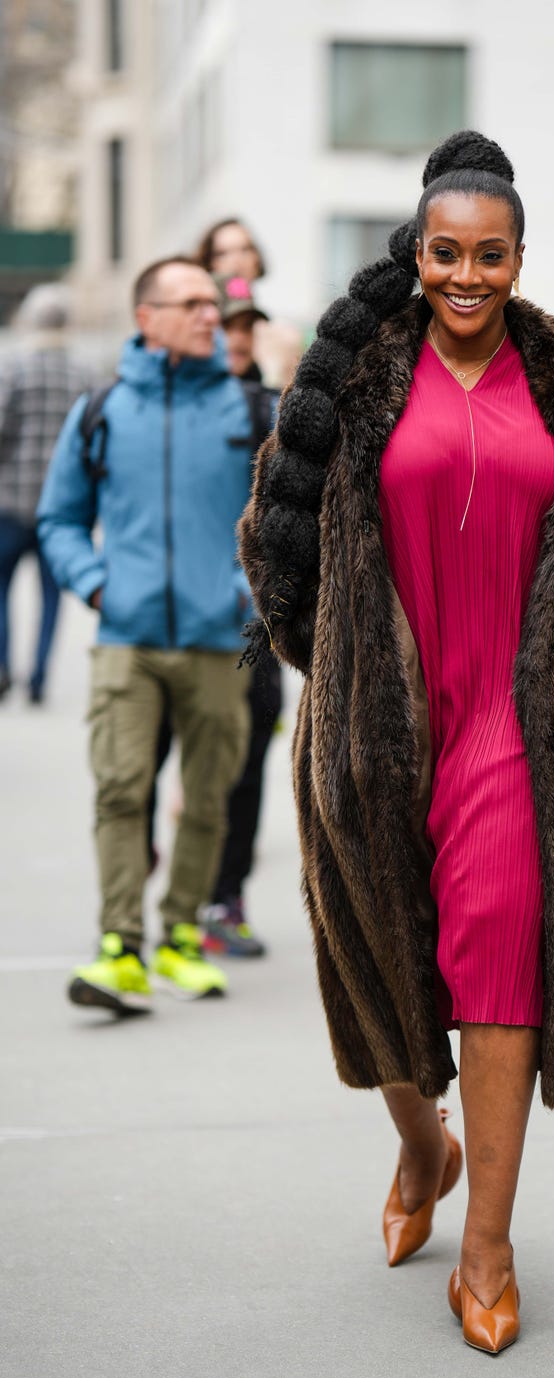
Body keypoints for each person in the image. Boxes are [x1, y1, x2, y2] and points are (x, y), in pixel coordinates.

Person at [238, 131, 554, 1353]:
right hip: (381, 727)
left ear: (518, 258)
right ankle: (419, 1143)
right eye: (445, 252)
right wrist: (333, 669)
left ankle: (487, 1244)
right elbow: (273, 543)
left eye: (489, 255)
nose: (466, 277)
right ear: (418, 251)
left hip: (517, 724)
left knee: (499, 957)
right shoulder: (351, 378)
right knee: (385, 973)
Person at [37, 257, 254, 1014]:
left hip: (219, 640)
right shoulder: (101, 410)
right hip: (126, 636)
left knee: (205, 798)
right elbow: (59, 520)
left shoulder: (251, 411)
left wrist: (246, 597)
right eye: (191, 303)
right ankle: (120, 947)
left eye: (213, 303)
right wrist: (97, 585)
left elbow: (287, 527)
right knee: (121, 788)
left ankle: (182, 936)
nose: (210, 316)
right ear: (146, 316)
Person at [148, 272, 281, 957]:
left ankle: (224, 896)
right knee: (151, 749)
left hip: (250, 623)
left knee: (248, 755)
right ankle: (145, 858)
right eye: (222, 324)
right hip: (170, 614)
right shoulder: (169, 405)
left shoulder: (275, 411)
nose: (233, 337)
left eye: (244, 327)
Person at [0, 284, 92, 704]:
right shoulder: (83, 373)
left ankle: (3, 667)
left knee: (1, 589)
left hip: (10, 502)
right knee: (51, 597)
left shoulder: (13, 367)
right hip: (61, 507)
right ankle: (38, 677)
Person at [194, 217, 301, 390]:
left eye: (245, 249)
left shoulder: (281, 336)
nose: (236, 260)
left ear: (256, 259)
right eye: (223, 252)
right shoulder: (197, 330)